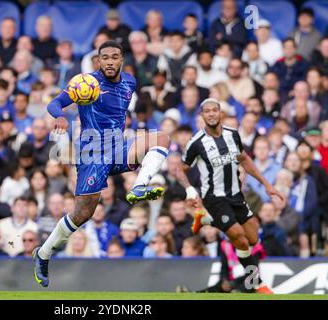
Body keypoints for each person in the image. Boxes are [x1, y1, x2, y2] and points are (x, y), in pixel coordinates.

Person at [33, 40, 170, 287]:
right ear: (98, 60)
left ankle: (139, 186)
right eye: (104, 57)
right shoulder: (86, 83)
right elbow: (54, 103)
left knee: (161, 138)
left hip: (117, 147)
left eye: (114, 57)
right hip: (92, 154)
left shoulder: (130, 81)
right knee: (82, 214)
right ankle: (43, 254)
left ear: (121, 60)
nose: (109, 61)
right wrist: (62, 115)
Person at [176, 98, 284, 294]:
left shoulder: (233, 135)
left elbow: (244, 159)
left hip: (235, 195)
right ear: (201, 116)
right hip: (214, 198)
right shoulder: (196, 142)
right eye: (206, 111)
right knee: (240, 239)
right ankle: (257, 284)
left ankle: (208, 220)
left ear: (220, 114)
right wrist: (189, 189)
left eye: (214, 110)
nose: (210, 114)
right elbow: (179, 169)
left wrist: (267, 185)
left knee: (252, 239)